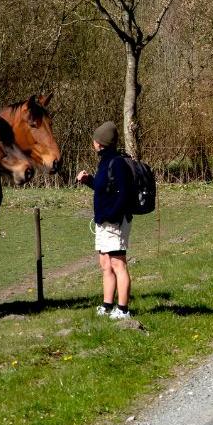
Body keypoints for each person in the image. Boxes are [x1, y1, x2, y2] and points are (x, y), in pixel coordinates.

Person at [76, 121, 134, 322]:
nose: (93, 142)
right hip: (103, 222)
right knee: (105, 264)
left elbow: (124, 194)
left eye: (95, 139)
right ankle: (107, 305)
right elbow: (106, 189)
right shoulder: (105, 161)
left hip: (114, 222)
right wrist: (89, 181)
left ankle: (123, 309)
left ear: (100, 142)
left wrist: (112, 216)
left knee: (118, 264)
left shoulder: (117, 162)